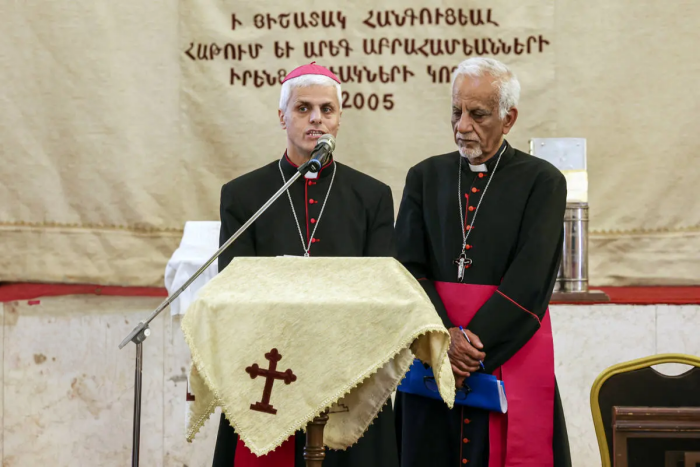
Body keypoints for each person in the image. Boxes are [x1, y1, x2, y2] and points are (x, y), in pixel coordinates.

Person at [212, 62, 399, 467]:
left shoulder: (372, 196)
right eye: (303, 108)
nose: (316, 118)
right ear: (282, 117)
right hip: (270, 367)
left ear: (339, 119)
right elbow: (234, 285)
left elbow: (381, 288)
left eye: (326, 109)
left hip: (349, 369)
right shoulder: (245, 196)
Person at [394, 57, 571, 467]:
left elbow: (532, 278)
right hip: (432, 354)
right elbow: (406, 268)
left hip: (507, 349)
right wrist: (443, 342)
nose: (462, 126)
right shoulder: (424, 177)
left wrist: (469, 350)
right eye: (456, 111)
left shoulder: (542, 182)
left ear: (508, 119)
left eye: (477, 114)